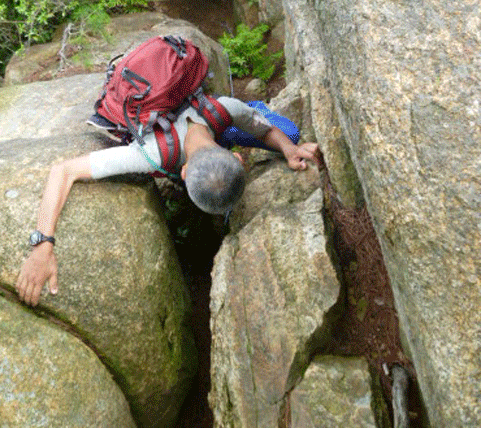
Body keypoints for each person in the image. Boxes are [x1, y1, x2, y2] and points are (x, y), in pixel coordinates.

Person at [16, 97, 319, 306]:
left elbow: (268, 131)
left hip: (219, 124)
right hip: (198, 131)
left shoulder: (225, 107)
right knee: (274, 129)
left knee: (288, 133)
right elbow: (63, 171)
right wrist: (43, 245)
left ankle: (257, 120)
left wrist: (289, 149)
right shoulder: (148, 153)